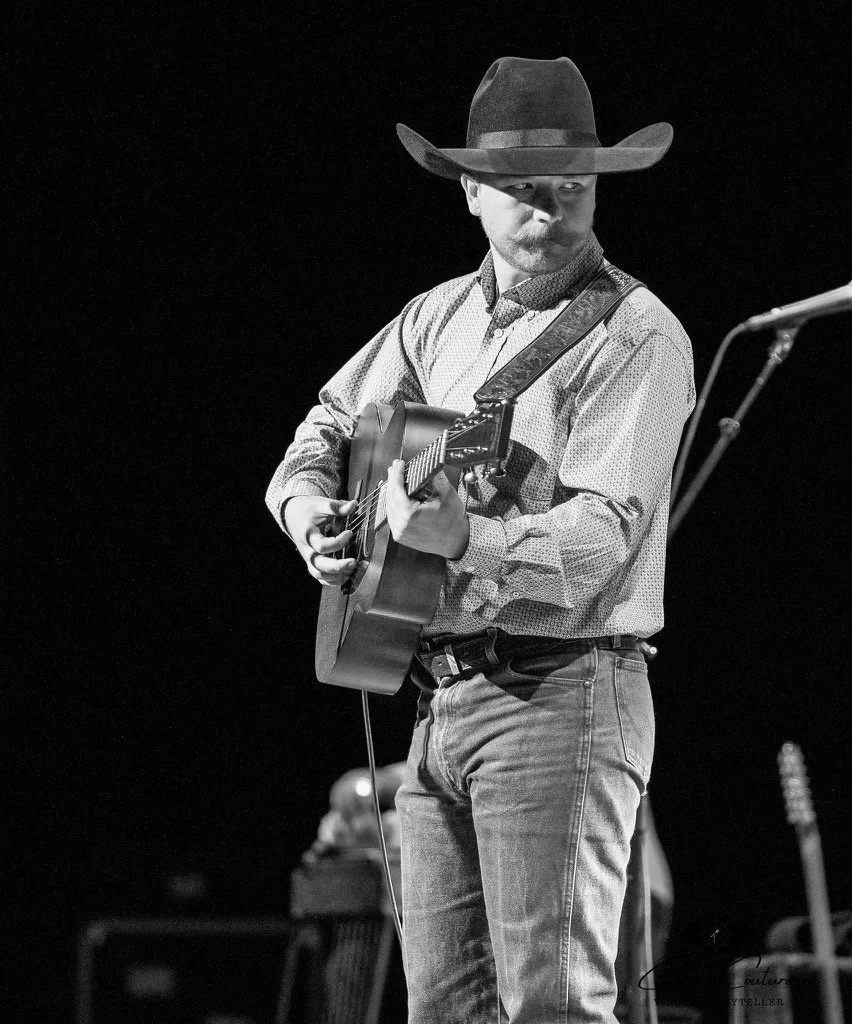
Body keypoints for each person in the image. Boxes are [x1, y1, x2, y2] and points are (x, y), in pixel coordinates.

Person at [266, 56, 694, 1024]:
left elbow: (606, 536)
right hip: (438, 700)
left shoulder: (637, 334)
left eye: (572, 188)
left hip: (563, 691)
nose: (548, 210)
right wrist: (311, 520)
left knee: (553, 1006)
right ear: (470, 192)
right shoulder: (435, 320)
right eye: (520, 190)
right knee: (443, 1010)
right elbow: (326, 425)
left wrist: (472, 541)